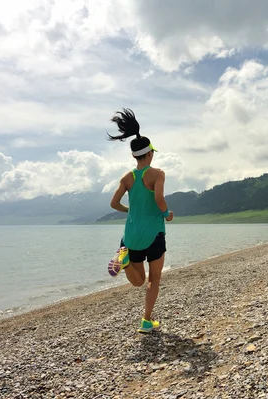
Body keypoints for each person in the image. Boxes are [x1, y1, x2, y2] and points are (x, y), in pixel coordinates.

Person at [107, 108, 174, 333]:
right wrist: (167, 214)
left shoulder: (127, 177)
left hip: (131, 236)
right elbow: (159, 198)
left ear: (134, 156)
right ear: (149, 154)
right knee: (153, 279)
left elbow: (113, 204)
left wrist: (131, 210)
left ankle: (124, 262)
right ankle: (146, 320)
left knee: (137, 280)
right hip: (153, 233)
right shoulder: (158, 174)